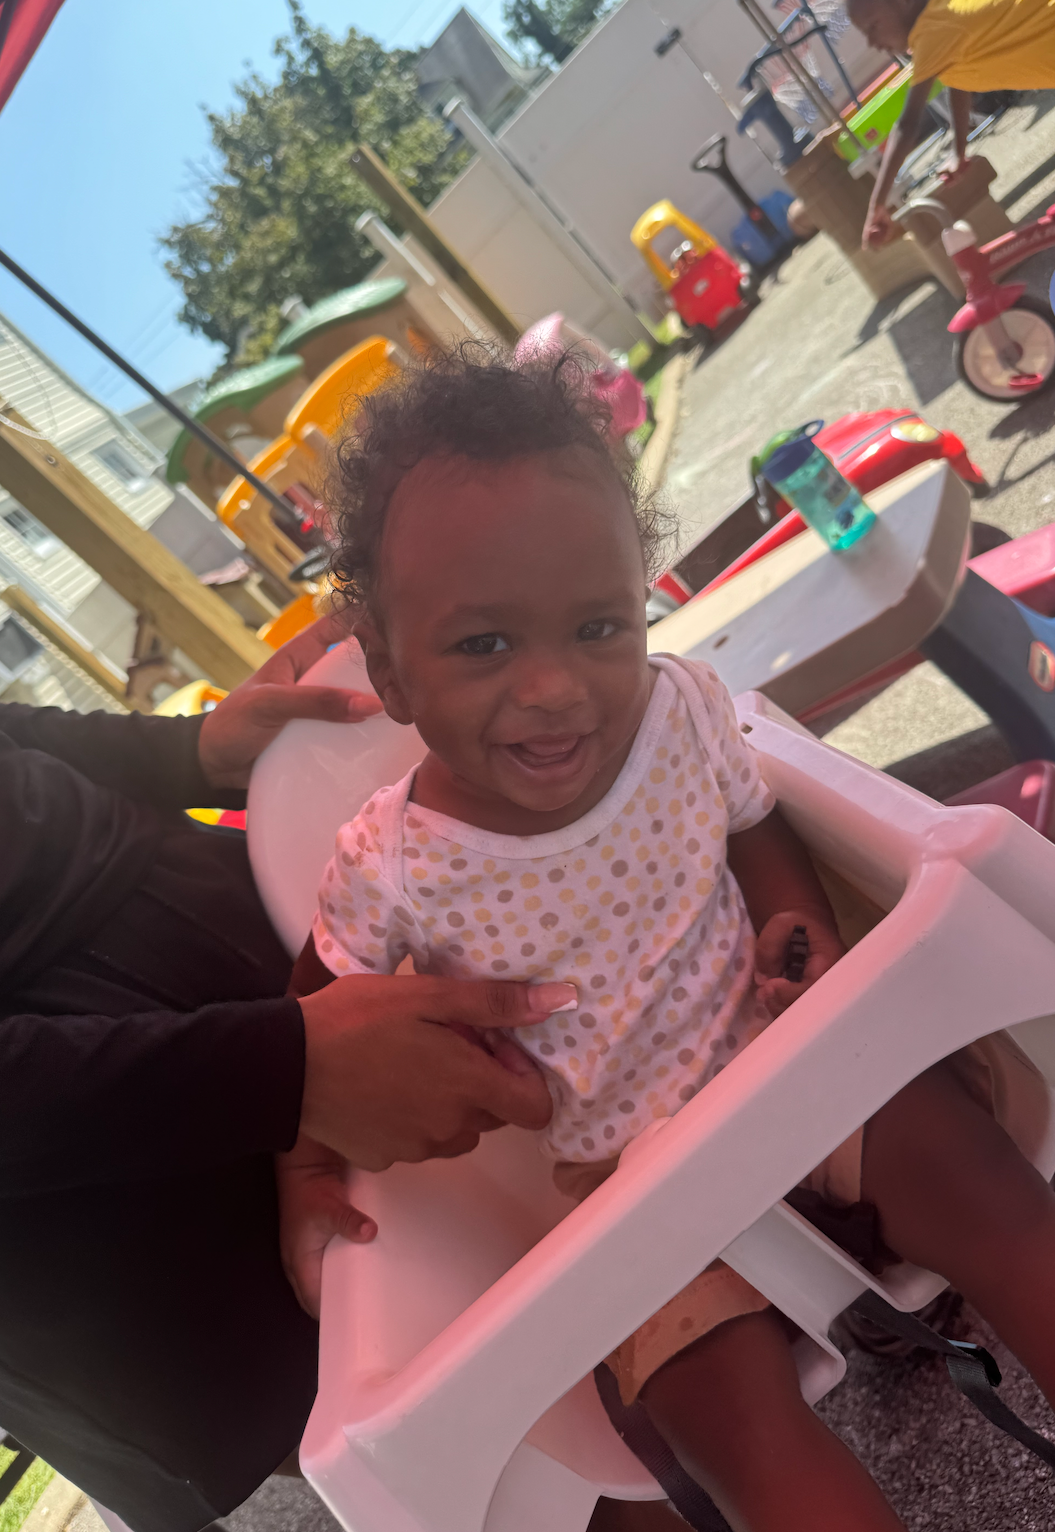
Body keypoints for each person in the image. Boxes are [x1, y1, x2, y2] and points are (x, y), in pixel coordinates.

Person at [281, 347, 1055, 1532]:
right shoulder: (390, 862)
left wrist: (791, 908)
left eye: (595, 625)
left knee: (994, 1197)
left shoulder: (681, 707)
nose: (555, 687)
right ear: (387, 667)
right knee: (734, 1434)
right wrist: (301, 1165)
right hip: (618, 1180)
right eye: (483, 645)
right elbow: (316, 1021)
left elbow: (752, 820)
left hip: (788, 1057)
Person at [0, 613, 558, 1532]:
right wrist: (280, 1071)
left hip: (197, 911)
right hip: (67, 1155)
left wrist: (192, 751)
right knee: (469, 1450)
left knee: (550, 1286)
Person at [850, 0, 1055, 248]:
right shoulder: (941, 20)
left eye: (873, 26)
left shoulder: (932, 31)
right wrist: (958, 151)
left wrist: (877, 206)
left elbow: (907, 126)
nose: (871, 42)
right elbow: (958, 80)